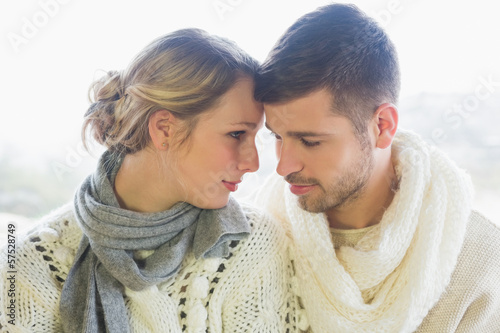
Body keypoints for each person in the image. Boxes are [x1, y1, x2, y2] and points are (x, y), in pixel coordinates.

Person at [0, 28, 299, 332]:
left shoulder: (252, 245)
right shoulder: (28, 262)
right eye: (236, 134)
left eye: (255, 136)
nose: (253, 163)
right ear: (164, 129)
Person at [250, 3, 500, 333]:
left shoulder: (480, 262)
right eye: (278, 137)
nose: (283, 166)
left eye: (310, 141)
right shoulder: (256, 244)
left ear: (382, 126)